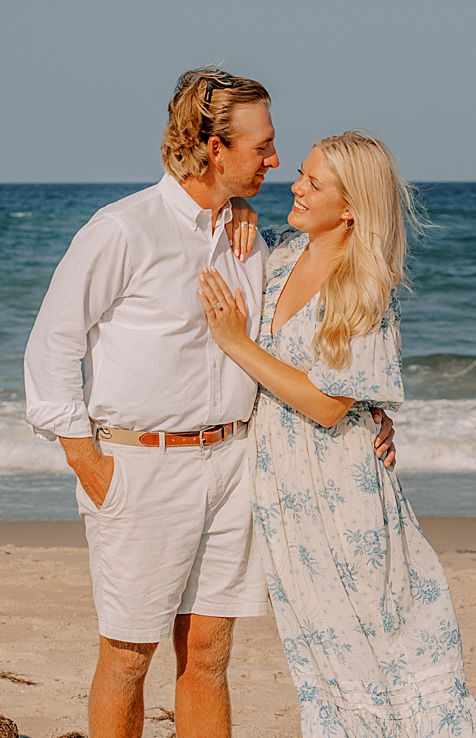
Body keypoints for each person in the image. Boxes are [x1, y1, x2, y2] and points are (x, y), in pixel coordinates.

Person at [23, 67, 392, 738]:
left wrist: (371, 412)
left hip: (233, 466)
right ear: (215, 147)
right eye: (263, 146)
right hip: (140, 469)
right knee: (129, 657)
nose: (275, 161)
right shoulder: (122, 230)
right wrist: (91, 464)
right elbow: (51, 346)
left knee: (210, 653)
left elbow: (310, 329)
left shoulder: (247, 237)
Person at [194, 131, 476, 735]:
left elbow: (329, 405)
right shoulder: (277, 257)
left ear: (351, 206)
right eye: (299, 173)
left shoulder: (364, 286)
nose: (295, 187)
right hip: (282, 490)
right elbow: (222, 216)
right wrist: (241, 208)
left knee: (374, 642)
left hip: (343, 490)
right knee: (318, 654)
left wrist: (237, 344)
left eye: (313, 183)